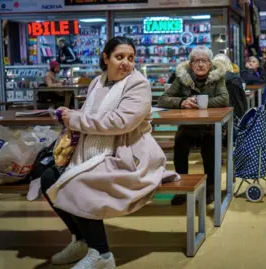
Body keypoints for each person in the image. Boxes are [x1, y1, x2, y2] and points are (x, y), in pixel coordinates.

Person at [40, 36, 178, 269]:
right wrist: (71, 114)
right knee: (47, 177)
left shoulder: (139, 84)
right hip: (91, 152)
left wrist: (76, 119)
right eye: (119, 57)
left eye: (131, 58)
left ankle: (102, 255)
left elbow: (120, 123)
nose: (126, 63)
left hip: (128, 156)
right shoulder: (97, 82)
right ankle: (82, 241)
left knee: (79, 182)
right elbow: (90, 114)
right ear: (106, 58)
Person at [158, 46, 229, 205]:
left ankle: (211, 188)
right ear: (190, 64)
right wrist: (182, 102)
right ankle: (181, 188)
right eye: (196, 61)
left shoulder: (218, 78)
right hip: (187, 126)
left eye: (204, 61)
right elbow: (163, 99)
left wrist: (200, 103)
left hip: (210, 126)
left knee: (210, 149)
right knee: (180, 146)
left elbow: (224, 99)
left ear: (210, 64)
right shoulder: (182, 77)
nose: (201, 65)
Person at [213, 53, 248, 119]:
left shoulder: (211, 80)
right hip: (233, 118)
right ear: (228, 64)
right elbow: (240, 105)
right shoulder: (235, 79)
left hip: (215, 117)